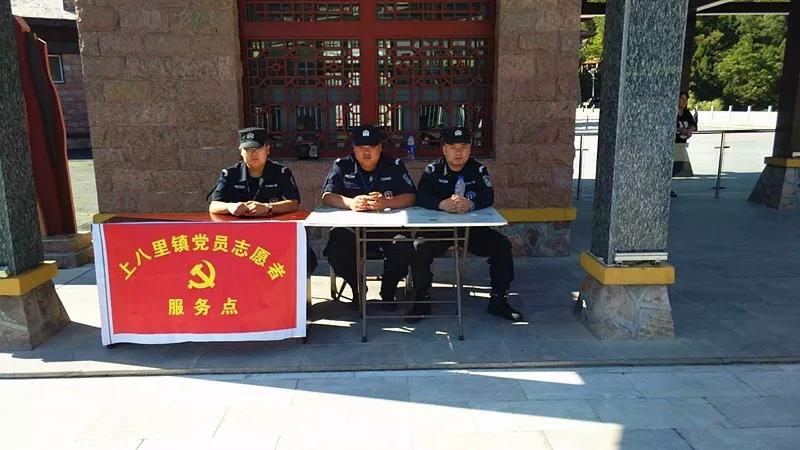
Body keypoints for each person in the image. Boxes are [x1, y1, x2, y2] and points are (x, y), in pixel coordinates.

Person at [406, 127, 523, 323]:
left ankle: (499, 299)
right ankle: (422, 298)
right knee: (418, 247)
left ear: (470, 149)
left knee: (502, 246)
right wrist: (441, 204)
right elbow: (421, 197)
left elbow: (488, 196)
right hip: (439, 229)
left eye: (463, 147)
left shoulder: (478, 170)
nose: (458, 152)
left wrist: (471, 204)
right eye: (453, 147)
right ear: (444, 149)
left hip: (471, 228)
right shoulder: (432, 170)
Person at [321, 124, 416, 310]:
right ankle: (357, 288)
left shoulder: (394, 165)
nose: (366, 152)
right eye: (361, 147)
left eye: (371, 147)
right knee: (336, 250)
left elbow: (411, 196)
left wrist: (386, 202)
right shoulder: (342, 165)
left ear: (380, 147)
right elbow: (327, 196)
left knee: (403, 248)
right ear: (354, 148)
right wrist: (350, 203)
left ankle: (388, 291)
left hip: (388, 228)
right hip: (352, 229)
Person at [208, 127, 317, 274]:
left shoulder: (281, 172)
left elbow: (293, 203)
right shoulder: (230, 174)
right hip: (239, 238)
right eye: (248, 149)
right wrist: (230, 207)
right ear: (241, 152)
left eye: (258, 148)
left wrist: (268, 207)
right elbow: (214, 205)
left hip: (274, 234)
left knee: (306, 257)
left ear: (267, 150)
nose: (253, 153)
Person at [672, 91, 696, 198]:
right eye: (682, 99)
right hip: (672, 144)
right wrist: (679, 129)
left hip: (681, 145)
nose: (684, 101)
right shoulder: (671, 111)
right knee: (670, 166)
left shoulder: (686, 113)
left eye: (686, 100)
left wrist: (690, 130)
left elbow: (693, 124)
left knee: (678, 167)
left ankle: (666, 185)